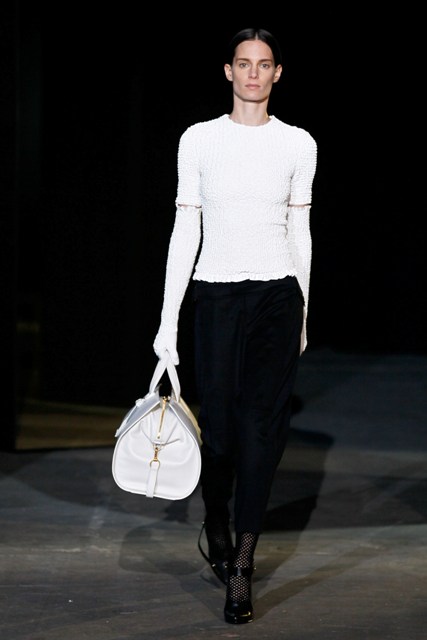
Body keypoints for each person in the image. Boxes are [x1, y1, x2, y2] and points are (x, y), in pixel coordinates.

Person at [153, 27, 317, 625]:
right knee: (219, 432)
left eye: (264, 64)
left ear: (277, 73)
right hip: (217, 296)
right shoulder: (199, 139)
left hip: (277, 296)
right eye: (243, 63)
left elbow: (299, 231)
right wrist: (167, 320)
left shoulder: (298, 143)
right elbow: (185, 231)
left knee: (262, 433)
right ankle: (216, 516)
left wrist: (304, 309)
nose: (253, 73)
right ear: (228, 71)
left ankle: (243, 564)